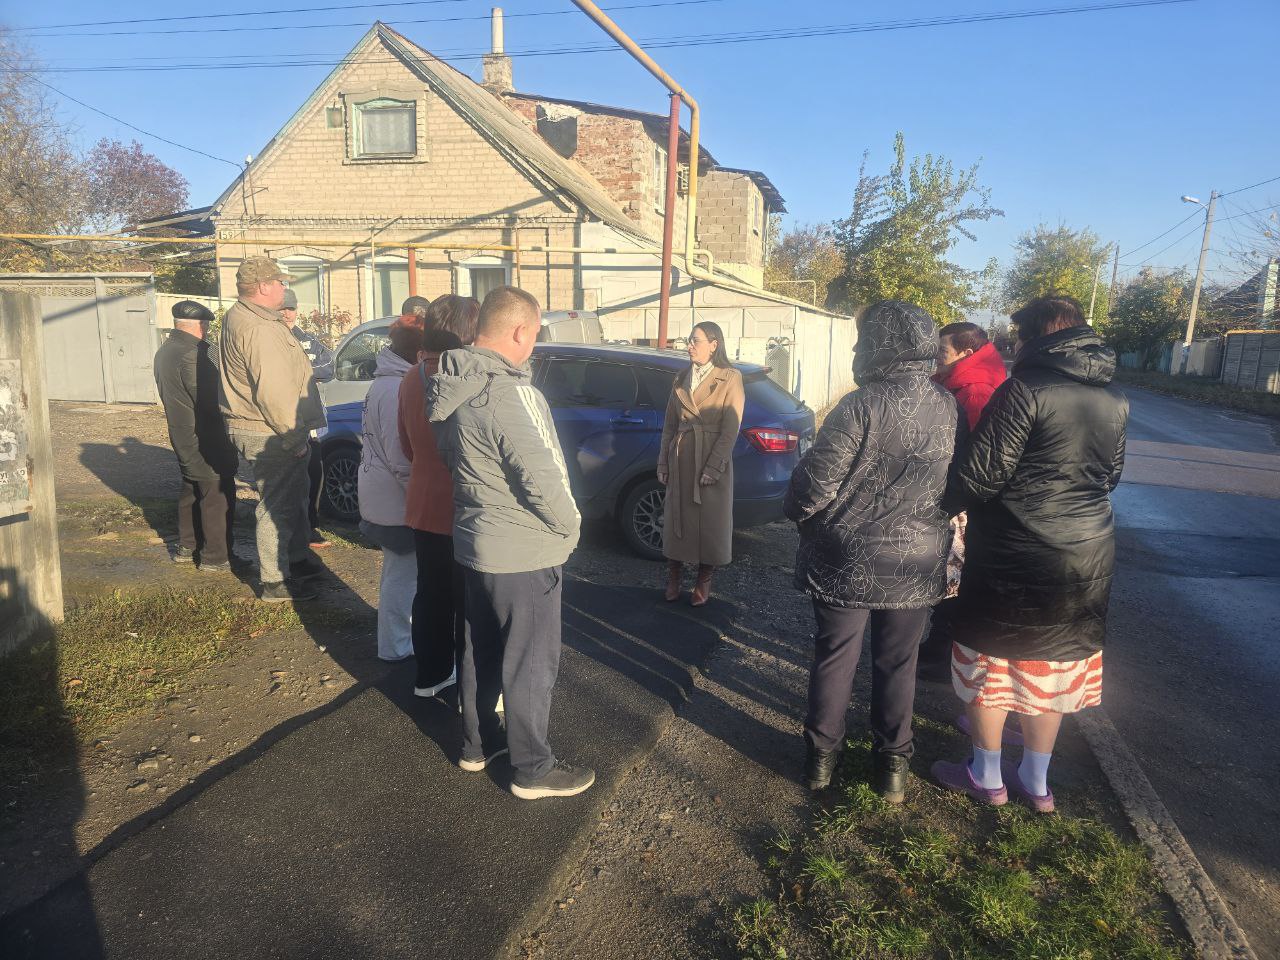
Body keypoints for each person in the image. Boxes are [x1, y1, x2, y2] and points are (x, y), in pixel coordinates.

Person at [931, 296, 1128, 813]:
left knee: (990, 664)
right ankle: (1038, 784)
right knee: (1053, 666)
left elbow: (980, 477)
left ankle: (986, 774)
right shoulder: (1114, 400)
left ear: (1039, 337)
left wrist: (936, 506)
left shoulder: (1024, 390)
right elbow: (1110, 477)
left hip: (1014, 552)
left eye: (1018, 337)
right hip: (1086, 554)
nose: (1014, 347)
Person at [785, 301, 962, 802]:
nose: (858, 348)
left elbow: (815, 486)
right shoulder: (946, 405)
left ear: (882, 345)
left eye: (864, 340)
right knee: (898, 663)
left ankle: (821, 763)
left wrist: (797, 510)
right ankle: (892, 769)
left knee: (835, 657)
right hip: (917, 557)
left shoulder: (860, 405)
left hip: (847, 557)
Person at [428, 285, 592, 800]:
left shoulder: (450, 382)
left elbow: (454, 461)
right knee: (530, 660)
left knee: (480, 647)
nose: (536, 345)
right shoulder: (510, 390)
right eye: (536, 334)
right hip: (523, 550)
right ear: (520, 331)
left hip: (476, 542)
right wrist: (570, 530)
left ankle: (477, 745)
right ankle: (533, 769)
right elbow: (542, 472)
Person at [218, 257, 327, 603]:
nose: (284, 288)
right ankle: (274, 580)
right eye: (280, 282)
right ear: (264, 287)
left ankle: (295, 558)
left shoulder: (249, 317)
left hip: (261, 425)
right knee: (276, 503)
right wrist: (294, 436)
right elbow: (274, 390)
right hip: (270, 429)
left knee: (292, 496)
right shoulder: (259, 328)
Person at [397, 294, 479, 698]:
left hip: (423, 501)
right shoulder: (472, 378)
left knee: (430, 593)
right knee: (471, 603)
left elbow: (406, 445)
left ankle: (430, 676)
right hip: (467, 507)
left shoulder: (411, 377)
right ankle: (473, 690)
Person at [918, 322, 1008, 682]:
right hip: (952, 495)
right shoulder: (955, 381)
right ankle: (939, 647)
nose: (937, 358)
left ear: (966, 354)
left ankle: (944, 654)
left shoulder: (974, 391)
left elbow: (972, 458)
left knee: (954, 574)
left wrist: (950, 501)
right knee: (948, 573)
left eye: (942, 352)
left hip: (961, 501)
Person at [657, 321, 744, 606]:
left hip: (709, 458)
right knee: (675, 519)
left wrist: (714, 467)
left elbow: (731, 429)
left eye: (695, 340)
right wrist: (663, 463)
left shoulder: (730, 377)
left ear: (713, 344)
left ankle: (704, 578)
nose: (689, 346)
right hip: (681, 457)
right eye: (689, 340)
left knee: (711, 523)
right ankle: (674, 575)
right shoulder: (681, 377)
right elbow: (670, 426)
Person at [153, 300, 239, 571]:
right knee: (216, 494)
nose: (208, 331)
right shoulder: (194, 353)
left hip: (182, 433)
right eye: (206, 326)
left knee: (191, 488)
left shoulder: (165, 350)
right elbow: (209, 401)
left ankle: (187, 546)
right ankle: (215, 557)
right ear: (199, 326)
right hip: (206, 435)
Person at [358, 313, 422, 662]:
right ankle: (396, 647)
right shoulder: (398, 388)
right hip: (396, 502)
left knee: (397, 573)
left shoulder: (386, 382)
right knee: (403, 576)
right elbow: (402, 461)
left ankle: (395, 641)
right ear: (417, 353)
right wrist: (423, 499)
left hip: (382, 494)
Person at [280, 288, 332, 547]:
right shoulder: (272, 340)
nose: (287, 314)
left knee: (314, 474)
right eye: (282, 309)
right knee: (289, 479)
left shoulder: (308, 339)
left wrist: (302, 369)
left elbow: (329, 366)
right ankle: (291, 530)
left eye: (290, 308)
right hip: (286, 421)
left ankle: (311, 525)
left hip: (312, 421)